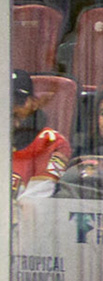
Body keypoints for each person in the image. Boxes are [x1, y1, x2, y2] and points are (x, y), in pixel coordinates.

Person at [11, 72, 68, 200]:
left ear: (34, 103)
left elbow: (38, 196)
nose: (12, 109)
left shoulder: (53, 142)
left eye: (19, 101)